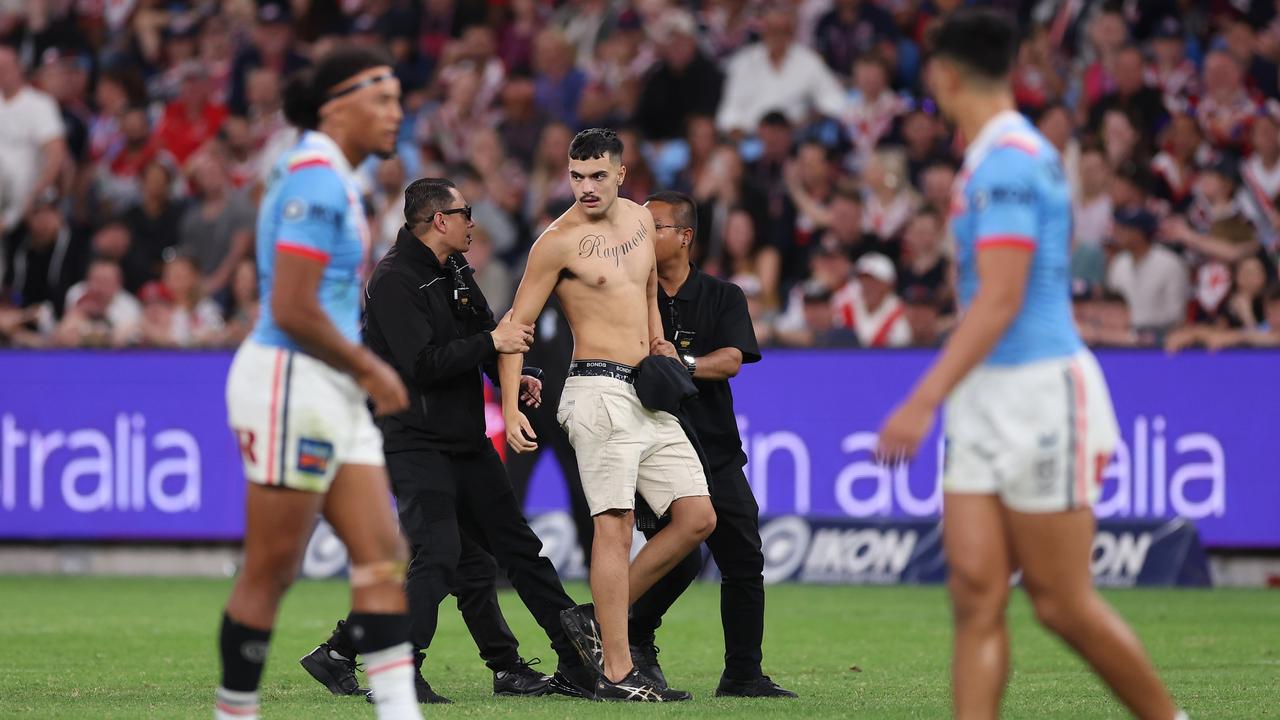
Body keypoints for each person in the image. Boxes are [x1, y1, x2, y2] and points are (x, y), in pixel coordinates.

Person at [874, 10, 1185, 720]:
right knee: (975, 595)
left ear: (946, 76)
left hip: (1041, 393)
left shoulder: (1010, 159)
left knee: (1060, 603)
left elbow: (1003, 299)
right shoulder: (994, 155)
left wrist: (922, 399)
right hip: (985, 392)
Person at [302, 177, 596, 705]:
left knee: (510, 552)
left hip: (464, 438)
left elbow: (483, 334)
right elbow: (423, 365)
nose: (472, 222)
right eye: (465, 213)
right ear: (439, 220)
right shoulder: (393, 280)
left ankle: (572, 661)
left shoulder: (454, 268)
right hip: (412, 441)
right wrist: (491, 342)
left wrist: (513, 371)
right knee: (440, 553)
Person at [217, 46, 422, 720]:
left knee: (383, 553)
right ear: (337, 105)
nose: (397, 111)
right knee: (272, 570)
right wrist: (369, 365)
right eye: (382, 98)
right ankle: (234, 711)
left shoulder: (336, 177)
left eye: (398, 98)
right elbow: (293, 309)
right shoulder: (316, 181)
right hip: (290, 380)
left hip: (328, 384)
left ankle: (398, 711)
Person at [500, 128, 717, 701]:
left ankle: (591, 620)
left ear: (622, 174)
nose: (586, 186)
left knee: (697, 518)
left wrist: (660, 343)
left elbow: (648, 293)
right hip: (594, 391)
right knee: (614, 529)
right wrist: (506, 407)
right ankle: (616, 674)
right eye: (576, 176)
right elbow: (512, 328)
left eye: (598, 175)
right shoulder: (557, 240)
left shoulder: (644, 222)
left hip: (647, 390)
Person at [627, 190, 797, 699]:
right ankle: (634, 639)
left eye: (652, 226)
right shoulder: (630, 293)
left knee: (744, 558)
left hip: (715, 448)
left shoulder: (723, 295)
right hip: (654, 446)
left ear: (683, 236)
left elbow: (732, 360)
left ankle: (743, 674)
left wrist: (683, 364)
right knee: (679, 558)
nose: (642, 235)